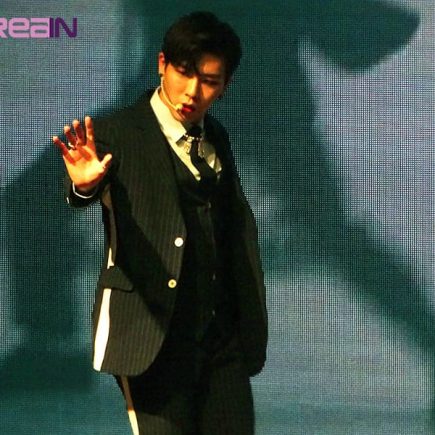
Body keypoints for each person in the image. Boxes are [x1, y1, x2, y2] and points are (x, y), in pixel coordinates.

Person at [53, 11, 267, 435]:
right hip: (152, 337)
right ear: (161, 64)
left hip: (221, 339)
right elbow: (81, 193)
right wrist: (84, 185)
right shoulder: (116, 132)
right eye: (183, 72)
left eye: (209, 80)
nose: (192, 91)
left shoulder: (216, 137)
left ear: (225, 87)